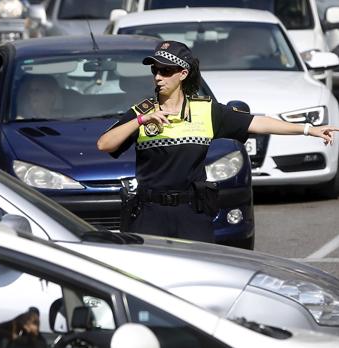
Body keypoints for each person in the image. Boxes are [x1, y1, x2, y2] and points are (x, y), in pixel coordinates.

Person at [96, 40, 339, 243]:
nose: (158, 77)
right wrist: (140, 120)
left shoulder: (207, 111)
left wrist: (308, 129)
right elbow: (104, 144)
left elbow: (258, 123)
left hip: (192, 212)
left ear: (183, 74)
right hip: (149, 213)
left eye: (166, 71)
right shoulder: (142, 111)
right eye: (155, 71)